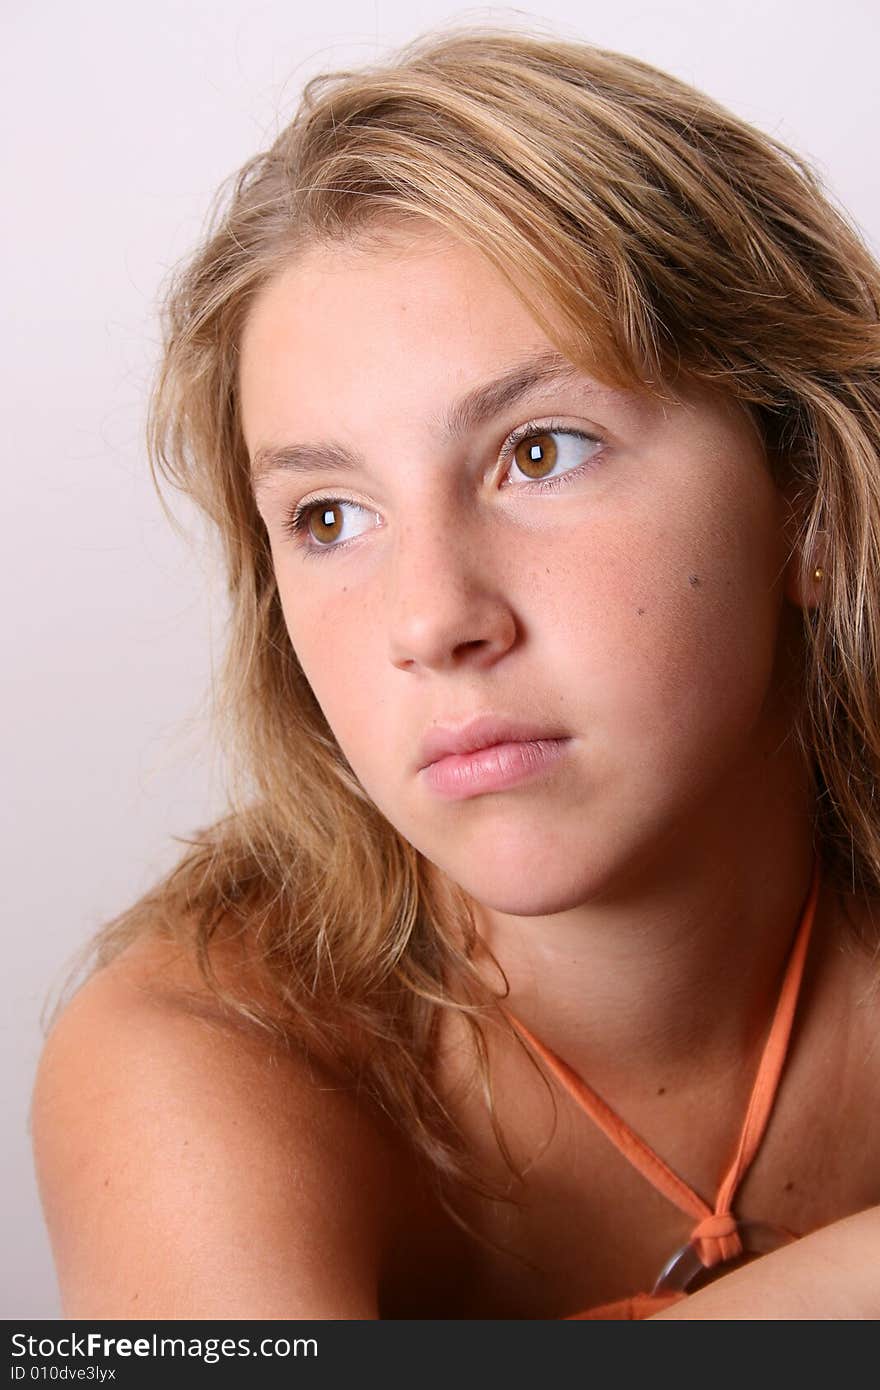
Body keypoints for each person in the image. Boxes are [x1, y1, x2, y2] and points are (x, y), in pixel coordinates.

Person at [30, 24, 880, 1320]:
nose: (430, 620)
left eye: (541, 450)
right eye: (330, 516)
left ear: (808, 501)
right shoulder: (191, 1056)